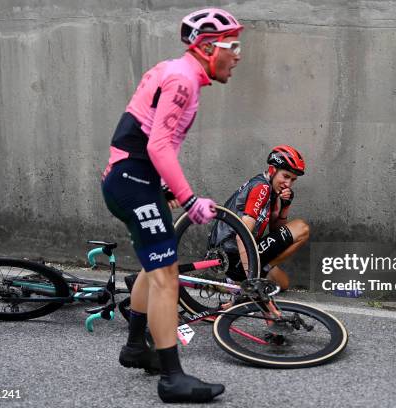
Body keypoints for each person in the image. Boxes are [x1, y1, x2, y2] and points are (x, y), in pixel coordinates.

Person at [101, 8, 243, 403]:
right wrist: (189, 199)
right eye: (233, 46)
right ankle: (172, 379)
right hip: (134, 182)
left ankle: (135, 348)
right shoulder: (183, 81)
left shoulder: (173, 70)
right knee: (167, 277)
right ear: (208, 46)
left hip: (132, 181)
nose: (239, 55)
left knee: (155, 267)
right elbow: (157, 145)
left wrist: (159, 184)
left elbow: (140, 133)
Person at [210, 145, 310, 290]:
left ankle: (249, 275)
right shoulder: (261, 188)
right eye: (286, 176)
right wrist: (252, 281)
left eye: (293, 180)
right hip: (231, 256)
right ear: (272, 170)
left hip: (240, 253)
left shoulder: (272, 191)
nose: (288, 184)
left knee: (282, 283)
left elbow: (277, 232)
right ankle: (239, 279)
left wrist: (285, 207)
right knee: (302, 227)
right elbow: (241, 235)